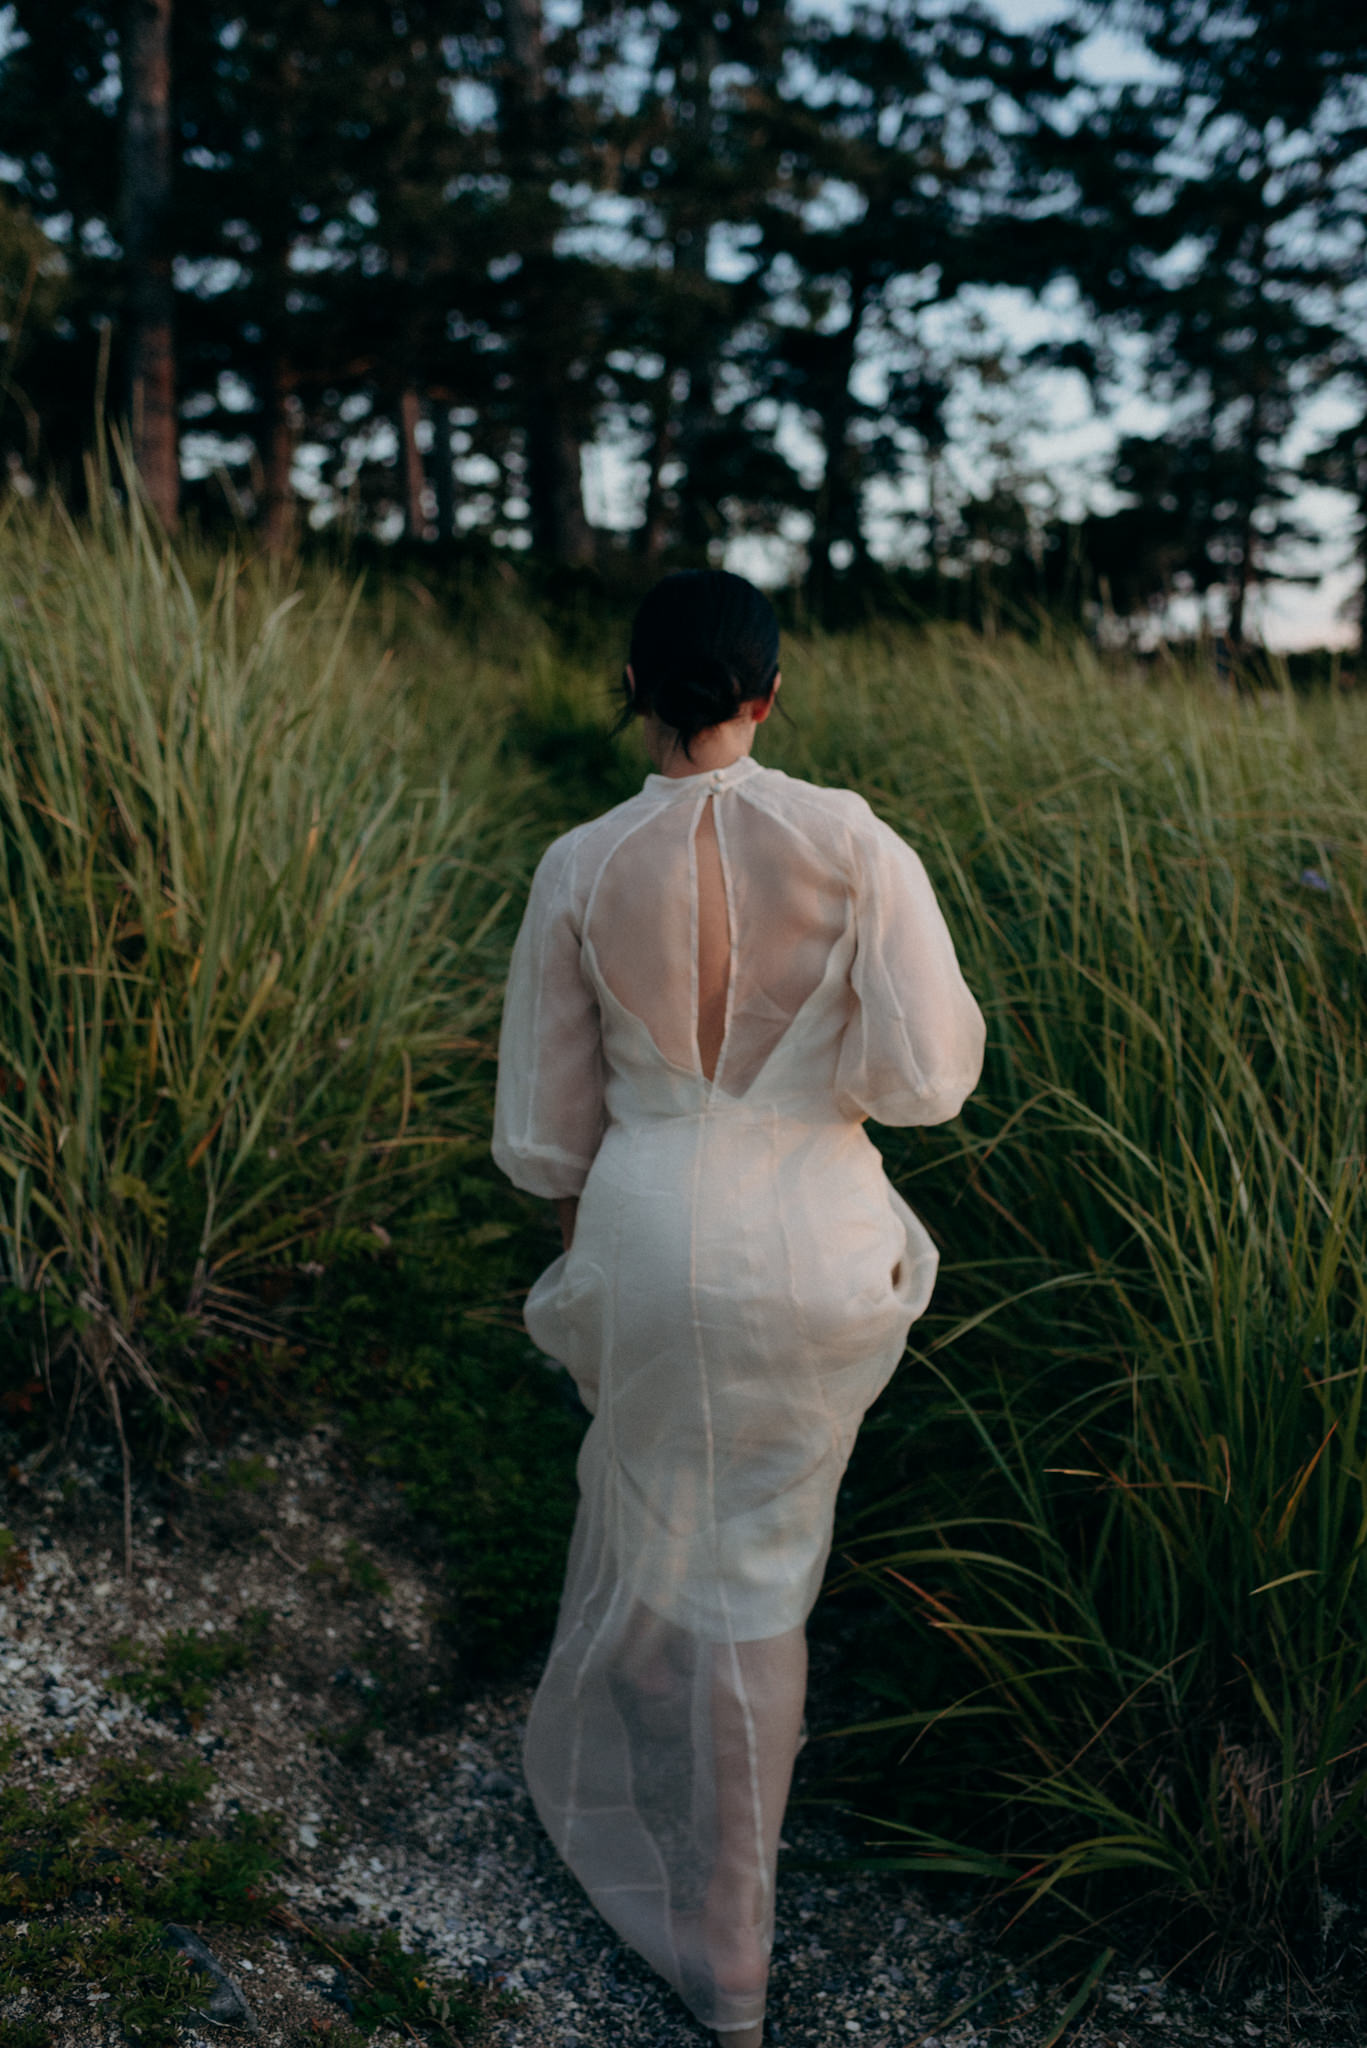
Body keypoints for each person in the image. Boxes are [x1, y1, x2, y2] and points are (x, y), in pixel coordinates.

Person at [492, 569, 986, 2046]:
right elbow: (925, 1083)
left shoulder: (579, 864)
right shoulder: (851, 839)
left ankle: (668, 1752)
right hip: (809, 1238)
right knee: (765, 1569)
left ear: (636, 688)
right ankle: (737, 1957)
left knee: (666, 1489)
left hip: (646, 1225)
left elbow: (544, 1137)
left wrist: (596, 1269)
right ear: (771, 691)